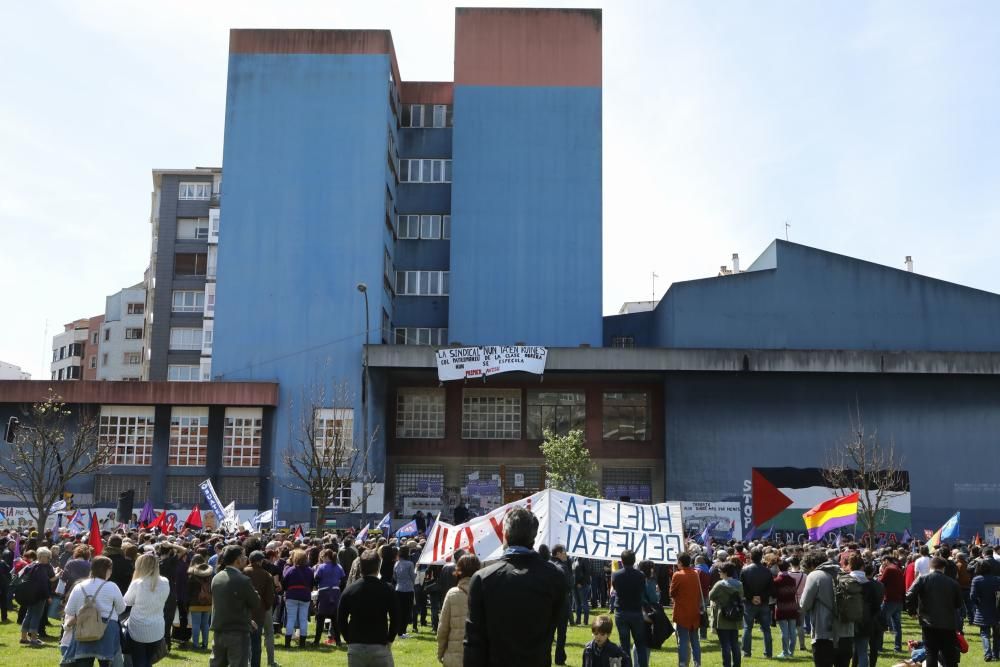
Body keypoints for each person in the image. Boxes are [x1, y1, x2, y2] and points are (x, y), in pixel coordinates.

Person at [464, 507, 567, 667]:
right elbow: (556, 622)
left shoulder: (483, 579)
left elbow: (473, 642)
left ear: (504, 535)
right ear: (534, 536)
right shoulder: (555, 576)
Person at [61, 555, 127, 667]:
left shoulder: (79, 586)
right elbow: (121, 609)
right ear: (107, 569)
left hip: (84, 627)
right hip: (107, 627)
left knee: (83, 661)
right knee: (107, 662)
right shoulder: (112, 586)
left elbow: (70, 610)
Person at [337, 548, 400, 666]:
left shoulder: (350, 590)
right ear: (378, 566)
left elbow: (341, 618)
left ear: (360, 566)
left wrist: (348, 638)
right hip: (379, 643)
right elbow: (395, 617)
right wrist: (390, 638)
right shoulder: (387, 589)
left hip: (356, 645)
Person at [906, 555, 962, 667]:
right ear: (943, 568)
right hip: (948, 623)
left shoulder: (922, 579)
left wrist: (912, 611)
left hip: (928, 623)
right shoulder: (953, 583)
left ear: (930, 566)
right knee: (949, 654)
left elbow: (909, 595)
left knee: (931, 652)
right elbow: (958, 604)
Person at [800, 550, 854, 667]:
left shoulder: (814, 576)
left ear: (811, 565)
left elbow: (804, 604)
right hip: (847, 633)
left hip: (824, 634)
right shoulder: (844, 573)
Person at [210, 545, 262, 667]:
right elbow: (255, 603)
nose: (246, 559)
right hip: (238, 632)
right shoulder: (243, 580)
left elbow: (229, 604)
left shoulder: (216, 578)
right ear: (237, 559)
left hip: (219, 630)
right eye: (243, 556)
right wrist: (255, 593)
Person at [123, 553, 171, 667]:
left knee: (139, 661)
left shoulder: (138, 583)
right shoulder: (165, 581)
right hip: (157, 628)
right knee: (148, 661)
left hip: (138, 628)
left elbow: (126, 601)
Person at [437, 553, 480, 666]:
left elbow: (443, 628)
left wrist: (440, 652)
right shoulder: (486, 592)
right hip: (478, 656)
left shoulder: (452, 594)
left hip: (454, 657)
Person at [611, 549, 652, 667]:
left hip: (621, 612)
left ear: (622, 561)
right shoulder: (641, 575)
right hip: (636, 612)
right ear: (634, 561)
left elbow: (615, 588)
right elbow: (642, 590)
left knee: (624, 645)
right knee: (640, 644)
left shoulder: (616, 575)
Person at [740, 547, 775, 659]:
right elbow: (771, 589)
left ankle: (746, 652)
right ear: (761, 557)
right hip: (762, 603)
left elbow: (742, 588)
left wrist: (752, 597)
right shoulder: (767, 571)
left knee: (747, 628)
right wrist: (759, 597)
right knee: (766, 629)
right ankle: (768, 653)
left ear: (751, 557)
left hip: (751, 603)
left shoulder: (745, 570)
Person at [670, 552, 704, 667]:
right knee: (695, 640)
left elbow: (672, 593)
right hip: (694, 611)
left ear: (680, 562)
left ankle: (683, 663)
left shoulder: (677, 575)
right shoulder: (695, 573)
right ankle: (697, 663)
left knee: (683, 640)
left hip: (682, 612)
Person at [244, 551, 277, 667]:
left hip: (244, 610)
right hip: (261, 610)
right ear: (260, 561)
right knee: (263, 636)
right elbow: (269, 597)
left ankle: (247, 662)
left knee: (246, 638)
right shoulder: (266, 575)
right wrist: (265, 607)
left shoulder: (243, 572)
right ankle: (269, 661)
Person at [710, 561, 744, 667]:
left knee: (725, 645)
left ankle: (727, 665)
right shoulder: (739, 584)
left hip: (722, 616)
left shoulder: (719, 585)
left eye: (720, 571)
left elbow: (711, 596)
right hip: (735, 615)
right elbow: (741, 597)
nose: (719, 573)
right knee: (735, 643)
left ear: (725, 572)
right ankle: (737, 665)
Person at [19, 547, 55, 646]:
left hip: (29, 594)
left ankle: (23, 637)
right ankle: (34, 639)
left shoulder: (31, 565)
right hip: (40, 595)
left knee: (29, 614)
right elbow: (43, 584)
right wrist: (48, 597)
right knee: (36, 615)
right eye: (48, 557)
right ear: (45, 557)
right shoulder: (42, 568)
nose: (48, 559)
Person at [280, 549, 313, 647]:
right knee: (303, 620)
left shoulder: (290, 569)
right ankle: (302, 643)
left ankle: (287, 643)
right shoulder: (310, 570)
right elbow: (312, 584)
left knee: (291, 619)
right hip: (305, 596)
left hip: (292, 595)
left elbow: (284, 583)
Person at [313, 548, 346, 646]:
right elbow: (343, 579)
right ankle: (338, 641)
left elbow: (316, 578)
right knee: (335, 619)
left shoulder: (321, 567)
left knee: (320, 618)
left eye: (322, 557)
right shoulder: (338, 566)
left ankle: (316, 641)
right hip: (336, 593)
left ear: (326, 557)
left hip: (324, 593)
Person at [971, 557, 1000, 662]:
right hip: (996, 609)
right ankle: (996, 654)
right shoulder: (997, 579)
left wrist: (978, 604)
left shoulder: (976, 580)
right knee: (997, 634)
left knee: (984, 633)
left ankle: (988, 653)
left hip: (982, 609)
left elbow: (973, 596)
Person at [550, 544, 574, 665]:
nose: (566, 554)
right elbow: (569, 585)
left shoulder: (546, 565)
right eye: (564, 552)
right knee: (561, 633)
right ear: (558, 553)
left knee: (548, 633)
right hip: (561, 603)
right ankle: (559, 658)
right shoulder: (563, 567)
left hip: (548, 604)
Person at [187, 554, 214, 651]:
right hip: (207, 601)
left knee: (196, 624)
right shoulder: (209, 574)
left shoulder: (191, 574)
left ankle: (195, 644)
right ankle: (205, 643)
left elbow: (188, 590)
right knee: (205, 624)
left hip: (195, 602)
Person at [879, 555, 905, 653]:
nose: (882, 564)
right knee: (897, 626)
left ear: (886, 560)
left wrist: (879, 575)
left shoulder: (889, 569)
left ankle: (879, 647)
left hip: (889, 600)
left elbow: (881, 582)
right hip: (898, 600)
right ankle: (898, 647)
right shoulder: (898, 569)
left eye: (883, 562)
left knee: (881, 624)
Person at [773, 559, 800, 658]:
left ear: (778, 568)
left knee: (784, 632)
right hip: (792, 607)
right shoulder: (792, 580)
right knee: (792, 631)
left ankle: (785, 652)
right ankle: (791, 652)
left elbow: (774, 595)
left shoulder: (776, 581)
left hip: (781, 607)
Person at [574, 556, 593, 627]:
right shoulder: (575, 558)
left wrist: (581, 583)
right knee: (577, 604)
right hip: (575, 585)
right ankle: (578, 620)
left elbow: (587, 573)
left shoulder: (585, 559)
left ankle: (585, 621)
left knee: (584, 603)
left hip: (583, 585)